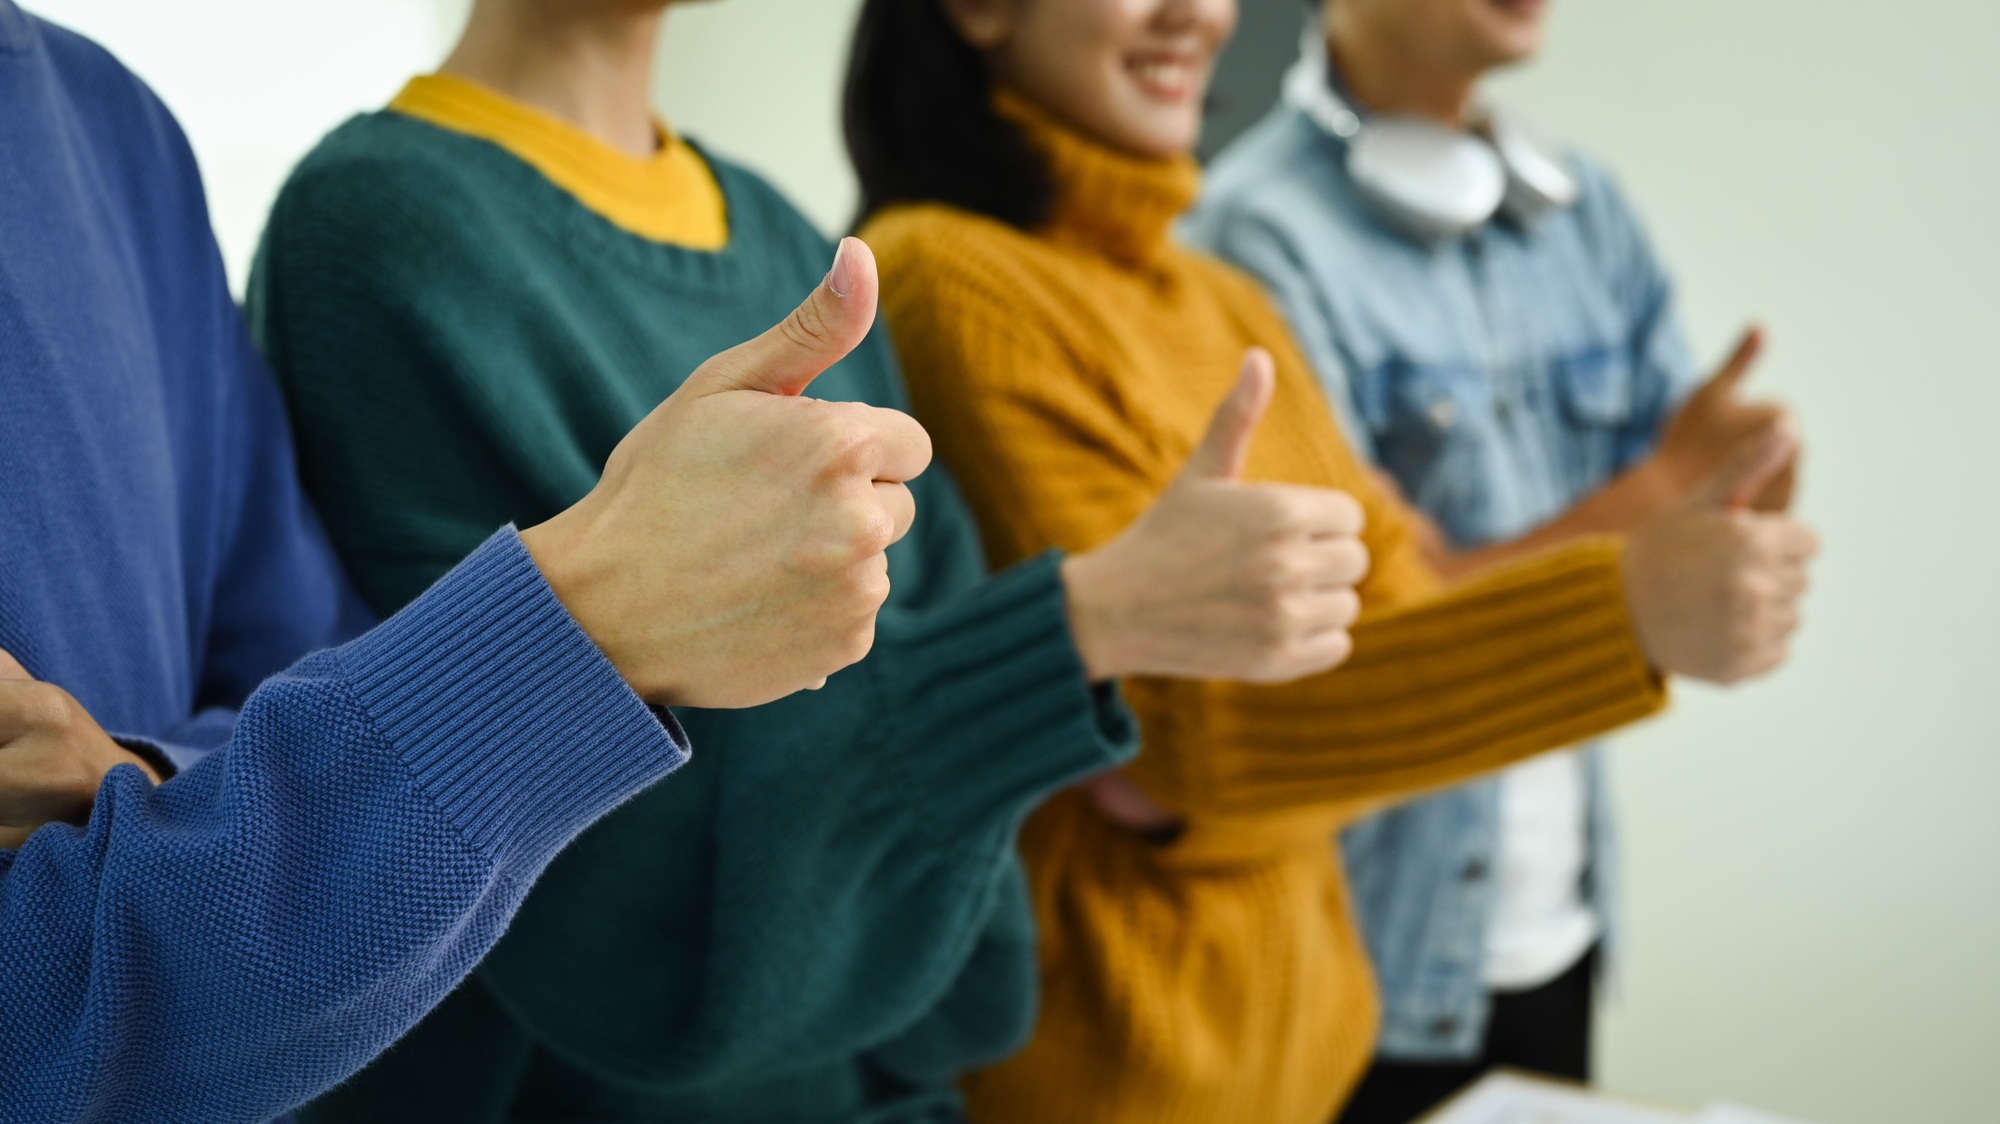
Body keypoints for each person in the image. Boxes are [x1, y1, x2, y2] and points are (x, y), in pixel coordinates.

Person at [246, 1, 1371, 1119]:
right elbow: (614, 921)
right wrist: (1076, 624)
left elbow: (959, 944)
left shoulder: (786, 241)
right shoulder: (379, 223)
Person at [847, 1, 1819, 1122]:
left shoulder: (1220, 299)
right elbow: (1180, 745)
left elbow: (1380, 640)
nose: (1197, 14)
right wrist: (1623, 613)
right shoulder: (954, 283)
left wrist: (1282, 740)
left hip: (1301, 1068)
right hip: (1109, 1085)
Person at [0, 2, 933, 1118]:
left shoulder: (108, 120)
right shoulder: (374, 215)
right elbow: (626, 920)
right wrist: (588, 616)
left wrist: (156, 799)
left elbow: (299, 666)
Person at [1184, 2, 1802, 1118]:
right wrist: (1655, 497)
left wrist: (1717, 518)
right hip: (1359, 939)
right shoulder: (1247, 239)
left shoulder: (1586, 214)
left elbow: (1707, 507)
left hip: (1556, 917)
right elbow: (1353, 627)